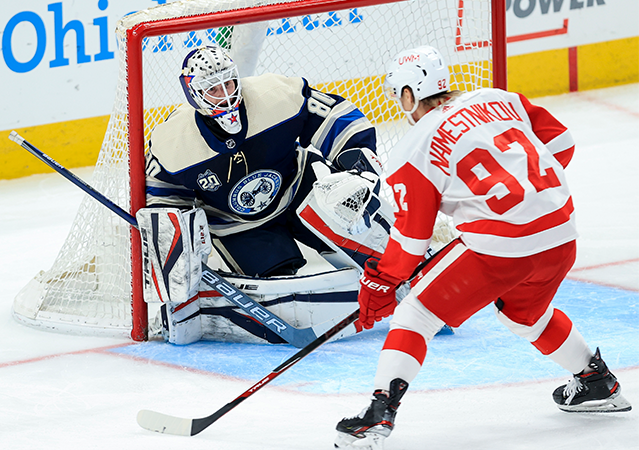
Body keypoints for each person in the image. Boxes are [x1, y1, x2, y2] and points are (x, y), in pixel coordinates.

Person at [333, 45, 632, 450]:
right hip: (561, 232)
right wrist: (530, 197)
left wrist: (381, 283)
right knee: (525, 314)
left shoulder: (413, 148)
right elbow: (561, 142)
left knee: (416, 313)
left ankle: (377, 416)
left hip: (502, 248)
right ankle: (596, 381)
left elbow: (411, 239)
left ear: (407, 95)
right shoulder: (499, 99)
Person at [139, 46, 396, 345]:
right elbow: (163, 198)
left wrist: (355, 156)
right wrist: (178, 244)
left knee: (362, 230)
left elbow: (337, 117)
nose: (225, 94)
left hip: (302, 187)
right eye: (212, 90)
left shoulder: (276, 94)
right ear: (193, 94)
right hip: (240, 225)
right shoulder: (173, 143)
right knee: (279, 290)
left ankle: (401, 268)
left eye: (229, 83)